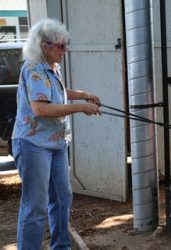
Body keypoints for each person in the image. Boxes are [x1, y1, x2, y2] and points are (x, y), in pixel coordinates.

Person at [11, 18, 101, 249]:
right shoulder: (33, 68)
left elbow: (57, 92)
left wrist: (83, 94)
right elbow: (41, 108)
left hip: (56, 144)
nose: (65, 50)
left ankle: (61, 246)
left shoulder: (53, 66)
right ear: (44, 45)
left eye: (66, 44)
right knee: (36, 205)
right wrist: (81, 107)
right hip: (33, 144)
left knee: (62, 198)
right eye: (61, 46)